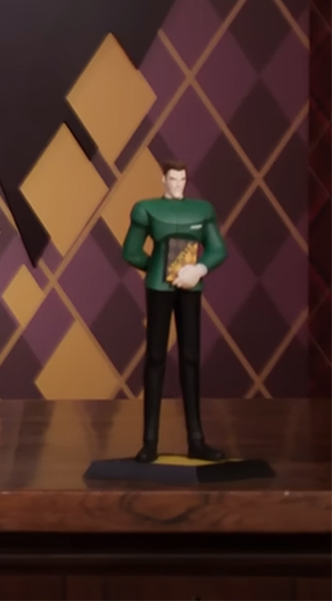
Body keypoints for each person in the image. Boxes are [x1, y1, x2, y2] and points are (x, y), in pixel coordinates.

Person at [121, 159, 227, 463]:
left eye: (183, 179)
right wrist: (158, 267)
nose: (178, 184)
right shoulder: (147, 208)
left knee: (190, 358)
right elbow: (131, 250)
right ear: (163, 180)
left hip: (190, 286)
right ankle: (149, 441)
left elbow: (218, 249)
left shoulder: (202, 210)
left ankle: (196, 439)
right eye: (173, 178)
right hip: (159, 288)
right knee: (156, 357)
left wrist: (199, 269)